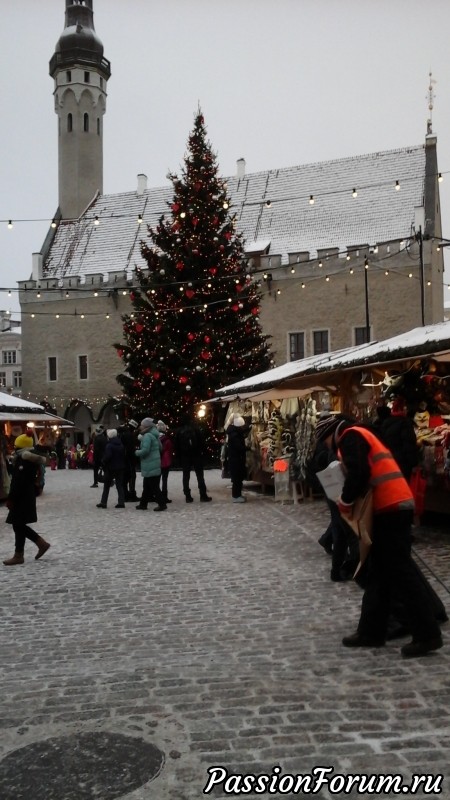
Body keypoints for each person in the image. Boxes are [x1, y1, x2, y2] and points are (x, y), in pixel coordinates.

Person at [315, 414, 443, 658]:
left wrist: (345, 499)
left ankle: (427, 634)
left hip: (389, 508)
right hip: (393, 505)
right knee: (379, 573)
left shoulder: (350, 437)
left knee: (401, 573)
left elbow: (360, 472)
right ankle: (371, 631)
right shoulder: (363, 434)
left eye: (325, 441)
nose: (327, 447)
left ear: (331, 434)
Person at [3, 434, 51, 566]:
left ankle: (40, 544)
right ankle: (19, 554)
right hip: (26, 495)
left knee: (18, 524)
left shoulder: (24, 460)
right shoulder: (26, 459)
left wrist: (11, 498)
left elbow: (18, 481)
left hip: (21, 497)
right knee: (18, 524)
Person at [380, 396, 419, 481]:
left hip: (390, 463)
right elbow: (409, 444)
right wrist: (414, 463)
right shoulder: (405, 423)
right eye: (405, 408)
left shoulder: (386, 423)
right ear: (402, 409)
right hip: (403, 463)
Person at [174, 415, 212, 503]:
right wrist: (204, 453)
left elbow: (176, 446)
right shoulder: (195, 429)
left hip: (185, 456)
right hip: (196, 455)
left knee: (186, 476)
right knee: (200, 476)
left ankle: (187, 496)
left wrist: (177, 457)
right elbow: (202, 442)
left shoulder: (179, 431)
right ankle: (203, 495)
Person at [135, 418, 167, 511]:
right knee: (147, 486)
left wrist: (136, 452)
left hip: (149, 464)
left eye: (142, 425)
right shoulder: (155, 435)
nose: (140, 426)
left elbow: (145, 450)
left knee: (154, 487)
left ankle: (162, 504)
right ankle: (143, 504)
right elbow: (160, 448)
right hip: (155, 463)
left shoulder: (147, 436)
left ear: (146, 426)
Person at [96, 429, 126, 509]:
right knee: (119, 485)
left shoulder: (109, 445)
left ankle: (103, 502)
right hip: (120, 467)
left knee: (106, 486)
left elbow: (108, 456)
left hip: (111, 468)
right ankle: (121, 502)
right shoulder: (121, 444)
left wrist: (103, 461)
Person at [225, 415, 248, 503]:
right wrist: (247, 448)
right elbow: (239, 447)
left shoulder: (233, 432)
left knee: (238, 479)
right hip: (236, 460)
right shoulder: (234, 435)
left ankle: (238, 495)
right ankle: (236, 496)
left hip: (236, 459)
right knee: (237, 479)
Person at [118, 421, 139, 502]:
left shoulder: (123, 434)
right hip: (129, 460)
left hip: (124, 459)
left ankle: (125, 494)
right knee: (131, 477)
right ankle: (131, 494)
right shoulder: (129, 435)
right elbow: (130, 449)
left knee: (125, 478)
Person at [157, 420, 174, 505]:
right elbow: (170, 450)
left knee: (157, 479)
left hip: (157, 461)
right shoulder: (167, 440)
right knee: (164, 479)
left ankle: (157, 495)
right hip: (166, 461)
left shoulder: (156, 439)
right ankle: (164, 495)